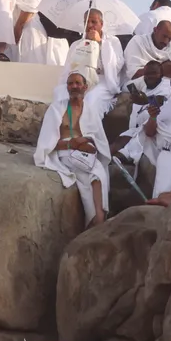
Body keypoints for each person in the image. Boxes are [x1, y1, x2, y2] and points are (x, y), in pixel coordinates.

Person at [36, 70, 110, 227]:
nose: (74, 86)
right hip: (65, 153)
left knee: (93, 177)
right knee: (95, 172)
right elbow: (47, 143)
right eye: (70, 83)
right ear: (67, 87)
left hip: (85, 153)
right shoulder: (56, 109)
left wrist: (87, 141)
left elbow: (99, 139)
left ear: (85, 87)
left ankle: (96, 218)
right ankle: (98, 219)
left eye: (77, 83)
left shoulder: (91, 111)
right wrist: (72, 144)